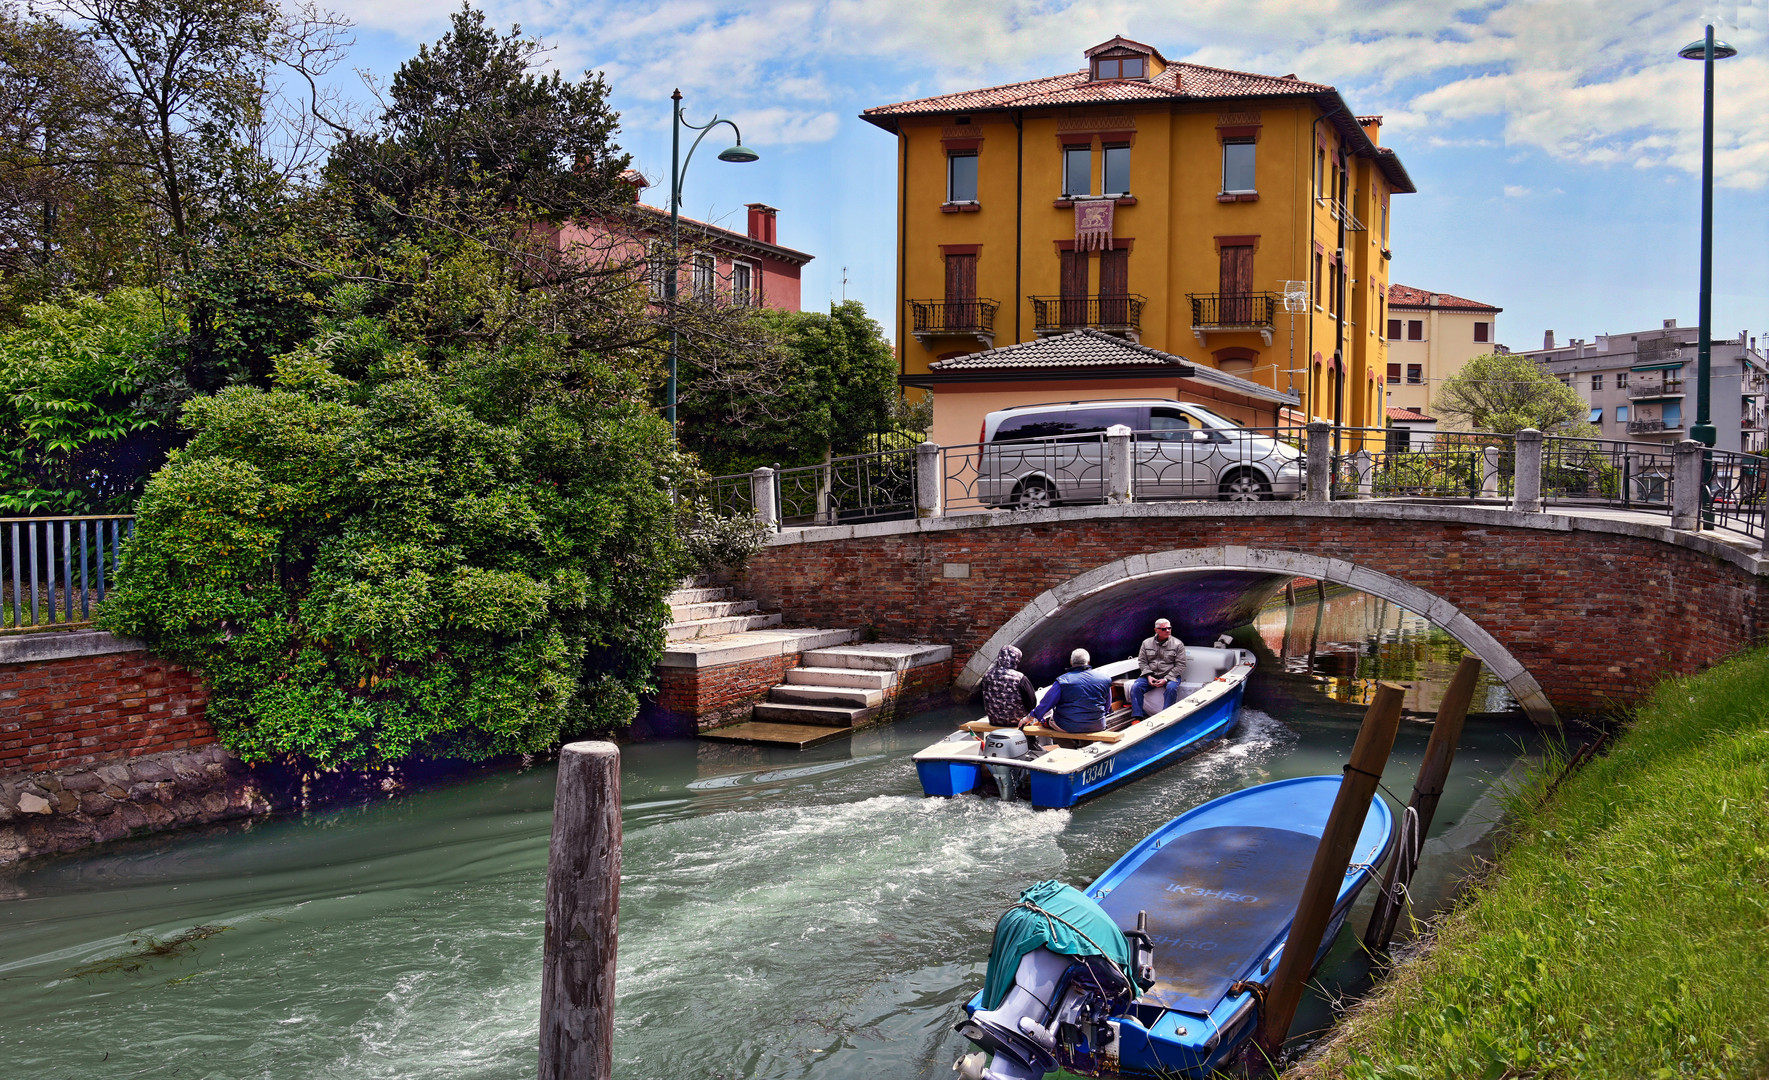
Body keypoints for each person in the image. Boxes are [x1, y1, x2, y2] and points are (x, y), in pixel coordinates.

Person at [1028, 648, 1112, 733]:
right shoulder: (1105, 679)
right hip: (1098, 725)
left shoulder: (1062, 681)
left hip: (1068, 726)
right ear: (1088, 662)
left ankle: (1071, 744)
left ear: (1071, 662)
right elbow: (1107, 706)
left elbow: (1046, 703)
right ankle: (1080, 743)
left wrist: (1030, 717)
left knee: (1048, 722)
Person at [1130, 619, 1186, 720]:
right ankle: (1137, 716)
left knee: (1171, 688)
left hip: (1171, 675)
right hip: (1151, 674)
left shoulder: (1178, 644)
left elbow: (1181, 665)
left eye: (1169, 628)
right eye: (1164, 629)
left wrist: (1166, 679)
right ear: (1156, 630)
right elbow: (1142, 661)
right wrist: (1148, 675)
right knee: (1136, 687)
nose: (1168, 630)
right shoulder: (1146, 643)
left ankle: (1166, 716)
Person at [981, 646, 1037, 728]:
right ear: (1016, 660)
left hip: (994, 722)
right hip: (1017, 723)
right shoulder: (1020, 678)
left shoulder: (987, 676)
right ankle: (1032, 741)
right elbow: (1032, 702)